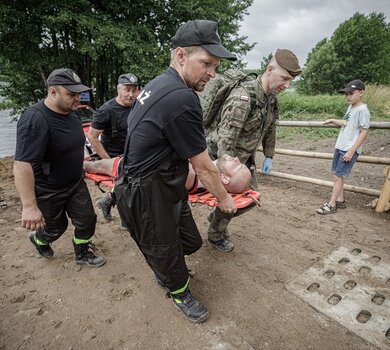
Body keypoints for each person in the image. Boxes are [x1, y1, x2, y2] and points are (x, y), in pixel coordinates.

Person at [114, 19, 237, 323]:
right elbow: (205, 166)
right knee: (166, 249)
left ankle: (165, 268)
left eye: (216, 65)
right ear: (181, 56)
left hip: (163, 184)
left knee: (189, 243)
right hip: (146, 191)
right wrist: (224, 199)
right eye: (206, 63)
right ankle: (180, 292)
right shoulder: (182, 98)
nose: (212, 73)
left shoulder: (159, 84)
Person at [205, 48, 302, 252]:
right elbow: (226, 137)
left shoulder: (270, 98)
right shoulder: (244, 98)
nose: (287, 85)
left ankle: (216, 218)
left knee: (251, 198)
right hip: (227, 160)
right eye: (284, 78)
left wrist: (269, 155)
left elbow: (271, 127)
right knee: (236, 199)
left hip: (244, 158)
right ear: (269, 69)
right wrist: (224, 172)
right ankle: (215, 234)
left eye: (290, 81)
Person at [13, 68, 106, 267]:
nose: (77, 98)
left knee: (87, 220)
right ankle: (38, 239)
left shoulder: (72, 113)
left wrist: (87, 163)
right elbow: (22, 165)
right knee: (56, 228)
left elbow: (75, 143)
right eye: (71, 94)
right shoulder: (35, 120)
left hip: (75, 182)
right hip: (48, 189)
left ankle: (82, 252)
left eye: (79, 93)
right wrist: (29, 206)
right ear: (53, 92)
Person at [84, 154, 251, 220]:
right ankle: (108, 200)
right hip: (142, 167)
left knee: (93, 166)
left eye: (236, 166)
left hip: (134, 166)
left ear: (224, 178)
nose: (236, 158)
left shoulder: (192, 173)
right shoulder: (207, 172)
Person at [317, 79, 370, 215]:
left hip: (349, 149)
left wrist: (352, 151)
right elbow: (346, 122)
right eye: (346, 94)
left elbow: (364, 131)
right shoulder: (351, 107)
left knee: (338, 176)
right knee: (336, 174)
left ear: (361, 93)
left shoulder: (363, 110)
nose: (348, 97)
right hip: (341, 146)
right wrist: (333, 120)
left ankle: (332, 204)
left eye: (351, 94)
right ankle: (340, 199)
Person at [87, 73, 139, 159]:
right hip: (114, 158)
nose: (131, 95)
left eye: (134, 91)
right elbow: (92, 137)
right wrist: (109, 162)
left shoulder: (137, 106)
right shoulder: (106, 110)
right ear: (118, 89)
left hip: (132, 158)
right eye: (127, 90)